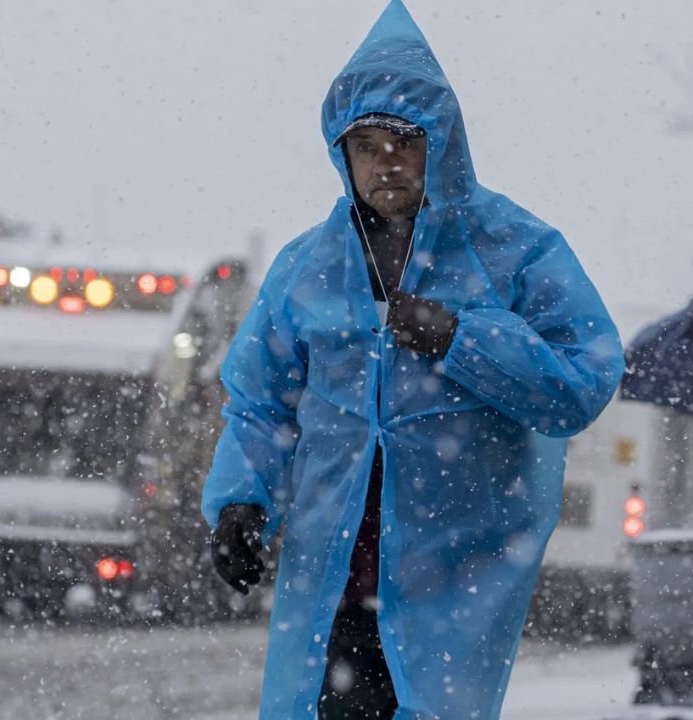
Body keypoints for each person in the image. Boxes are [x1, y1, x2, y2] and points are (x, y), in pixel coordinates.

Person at [200, 2, 624, 718]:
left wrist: (463, 338)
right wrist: (243, 503)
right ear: (343, 154)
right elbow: (260, 401)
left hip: (457, 579)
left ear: (444, 143)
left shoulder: (515, 249)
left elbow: (582, 381)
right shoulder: (307, 266)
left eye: (404, 140)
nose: (384, 161)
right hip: (333, 578)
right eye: (365, 145)